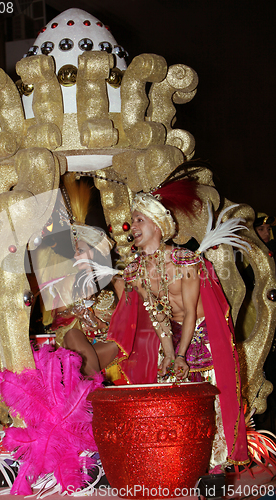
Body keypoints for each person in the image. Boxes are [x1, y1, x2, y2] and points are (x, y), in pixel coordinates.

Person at [105, 179, 249, 470]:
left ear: (157, 225)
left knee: (209, 397)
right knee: (169, 390)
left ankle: (215, 466)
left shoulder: (185, 261)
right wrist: (170, 354)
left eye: (139, 220)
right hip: (171, 332)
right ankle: (181, 460)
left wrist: (183, 354)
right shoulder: (135, 271)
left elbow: (193, 314)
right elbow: (157, 313)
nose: (132, 226)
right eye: (132, 220)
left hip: (203, 330)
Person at [49, 223, 123, 377]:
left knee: (86, 358)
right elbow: (59, 322)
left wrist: (100, 323)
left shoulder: (117, 282)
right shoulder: (69, 282)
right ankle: (93, 393)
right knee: (72, 335)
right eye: (75, 252)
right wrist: (75, 312)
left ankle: (88, 393)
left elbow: (130, 322)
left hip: (109, 342)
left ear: (96, 252)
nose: (75, 256)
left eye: (80, 251)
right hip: (78, 343)